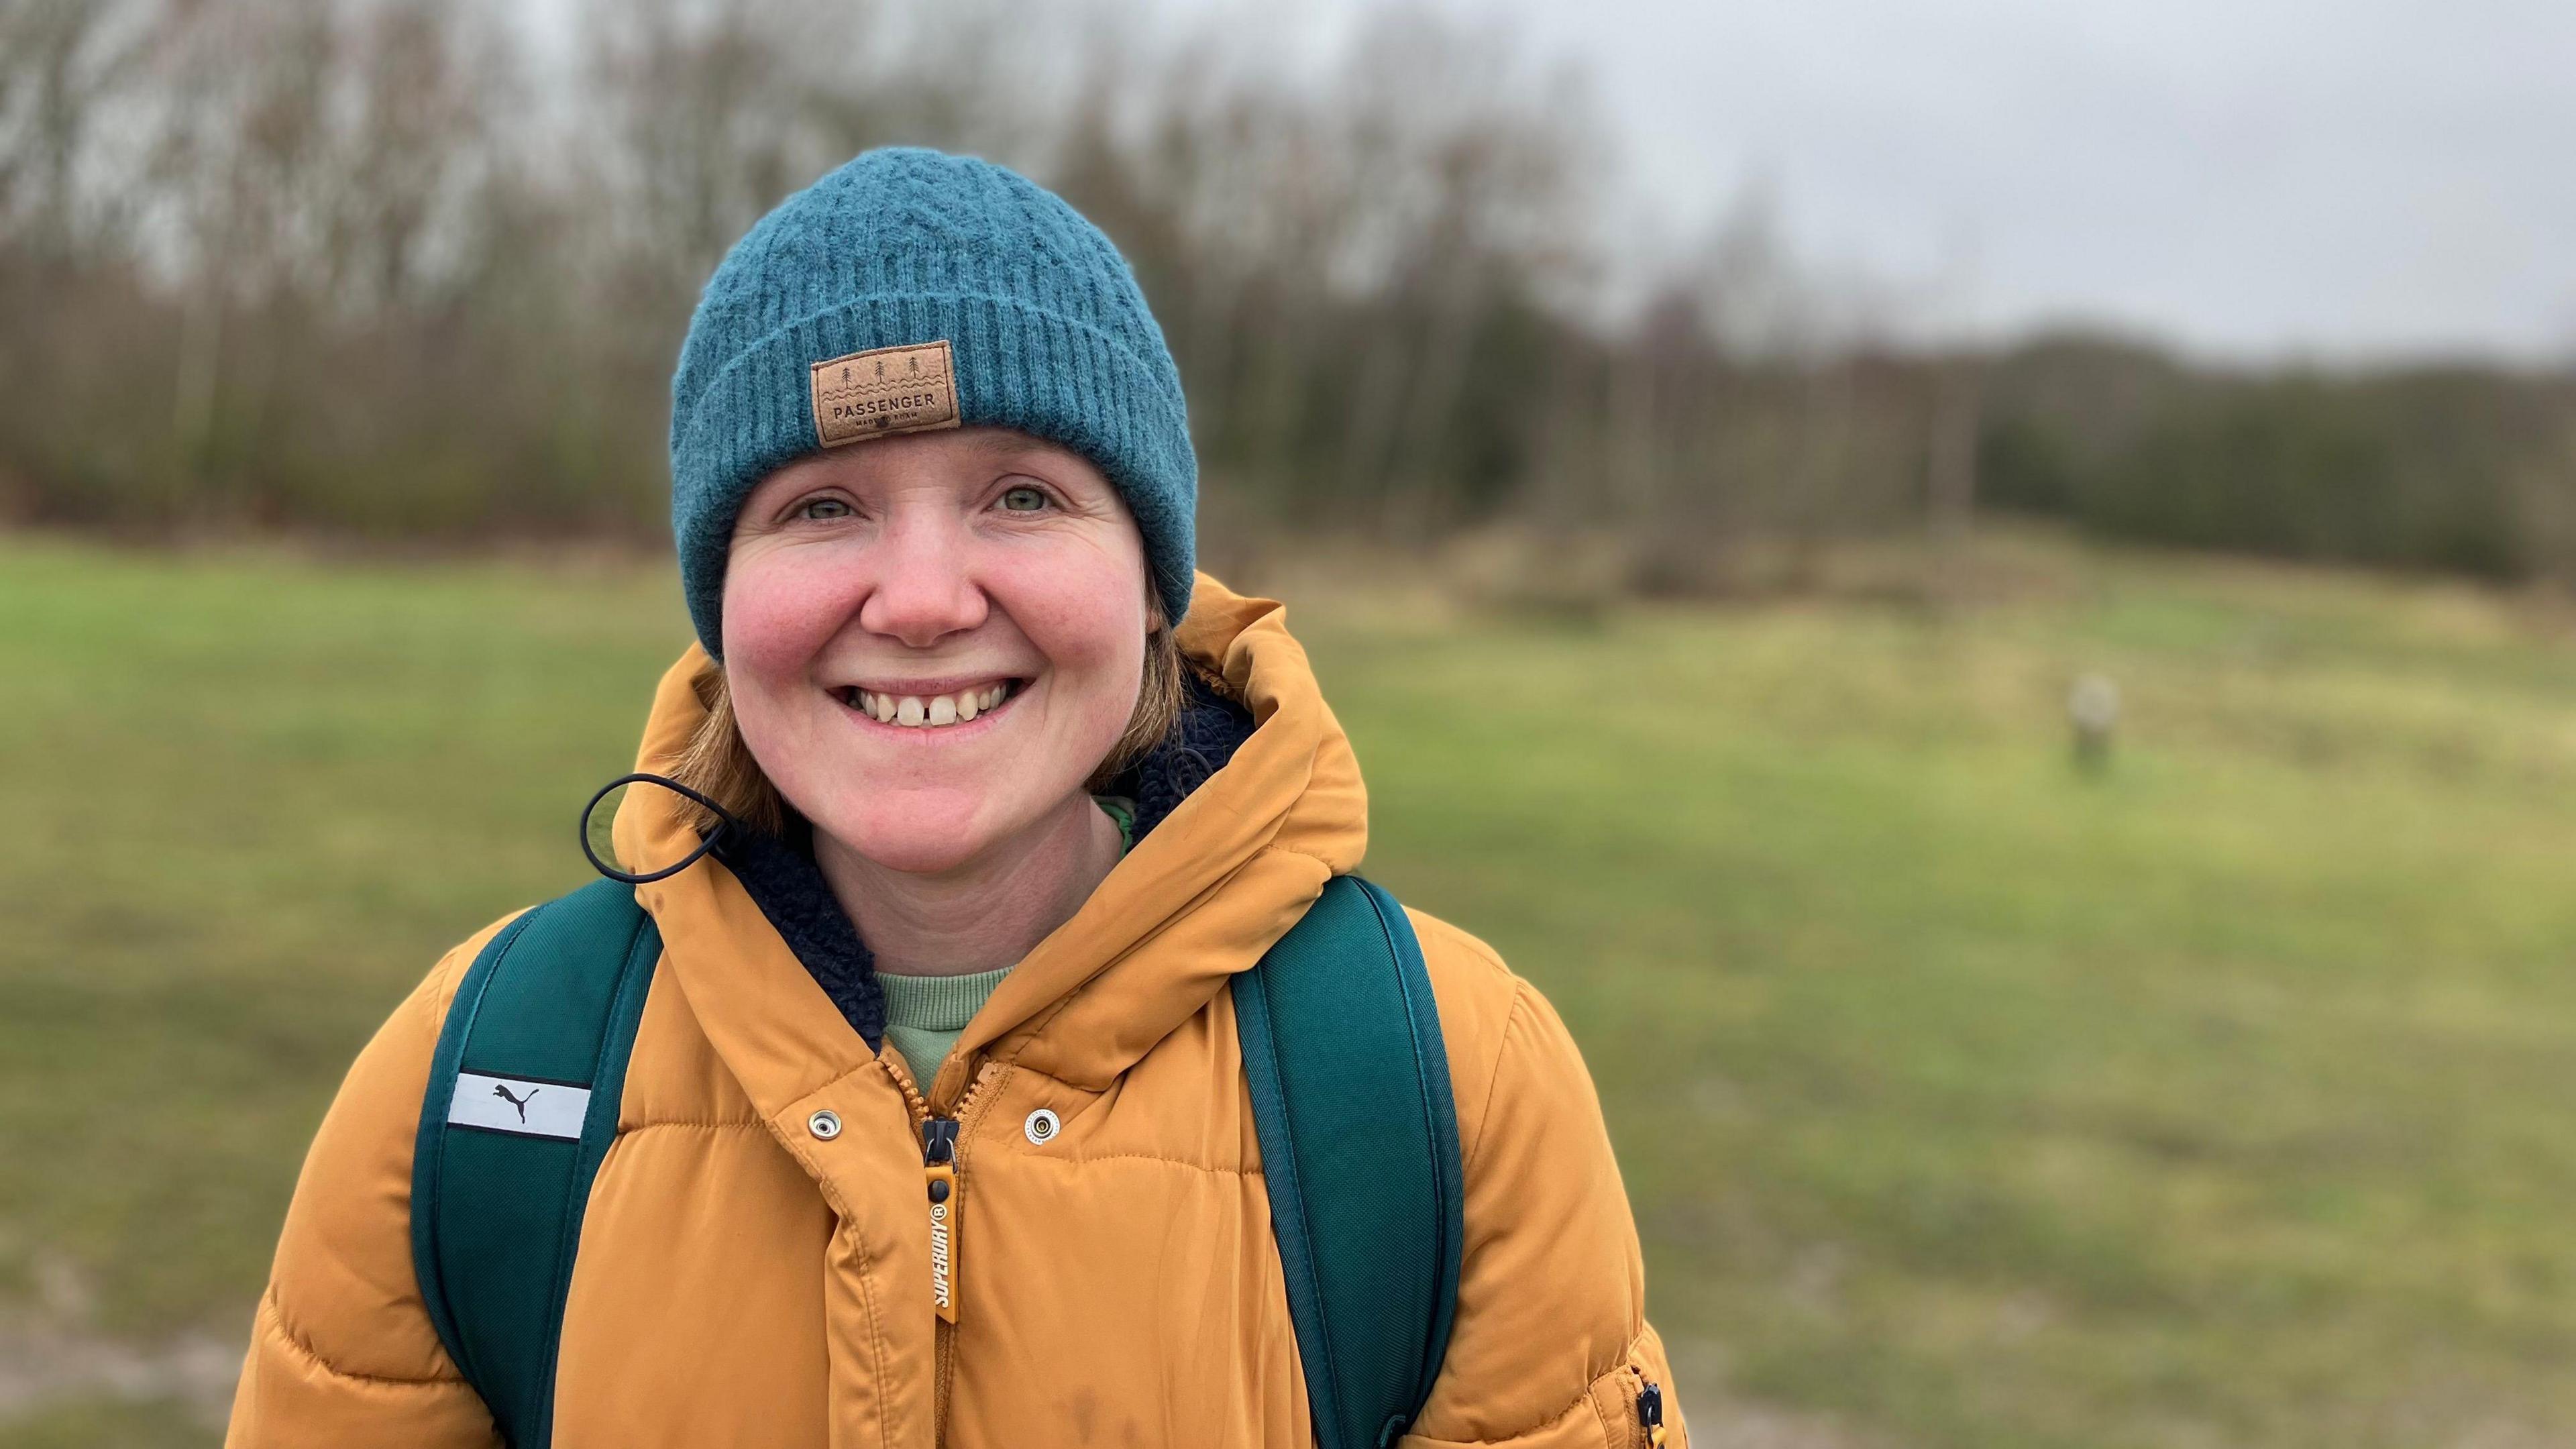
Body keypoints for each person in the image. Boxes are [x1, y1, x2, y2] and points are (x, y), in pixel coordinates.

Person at [224, 146, 1688, 1448]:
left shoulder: (1453, 1084)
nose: (921, 602)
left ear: (1151, 579)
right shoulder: (474, 1079)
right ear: (720, 595)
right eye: (820, 507)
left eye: (1025, 497)